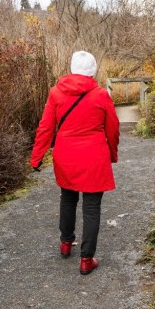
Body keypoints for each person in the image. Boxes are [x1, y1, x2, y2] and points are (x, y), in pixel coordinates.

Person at [30, 51, 120, 275]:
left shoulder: (56, 93)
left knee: (68, 199)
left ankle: (65, 243)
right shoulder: (101, 95)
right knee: (92, 207)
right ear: (93, 70)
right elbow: (113, 128)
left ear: (72, 69)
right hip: (94, 156)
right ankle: (86, 259)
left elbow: (46, 127)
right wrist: (112, 153)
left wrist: (36, 157)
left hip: (66, 155)